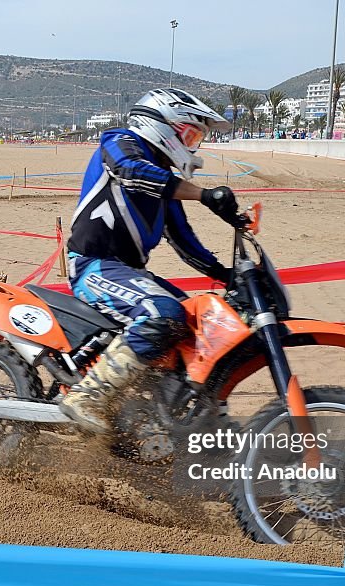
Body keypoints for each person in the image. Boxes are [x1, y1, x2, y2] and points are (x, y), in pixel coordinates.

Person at [59, 88, 241, 432]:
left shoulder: (162, 182)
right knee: (162, 314)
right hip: (92, 265)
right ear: (164, 125)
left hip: (128, 271)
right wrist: (204, 194)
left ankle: (160, 411)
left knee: (195, 317)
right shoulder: (119, 142)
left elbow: (184, 240)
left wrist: (224, 274)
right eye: (191, 134)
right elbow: (129, 170)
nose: (194, 144)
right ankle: (87, 396)